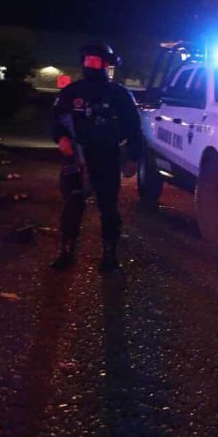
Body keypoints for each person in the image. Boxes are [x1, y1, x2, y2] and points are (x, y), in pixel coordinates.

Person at [50, 43, 142, 273]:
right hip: (76, 157)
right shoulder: (71, 92)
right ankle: (67, 251)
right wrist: (61, 138)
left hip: (107, 157)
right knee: (72, 205)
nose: (90, 64)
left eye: (96, 60)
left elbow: (134, 128)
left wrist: (133, 157)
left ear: (106, 64)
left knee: (108, 208)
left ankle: (110, 256)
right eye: (87, 60)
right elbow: (56, 119)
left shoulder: (120, 94)